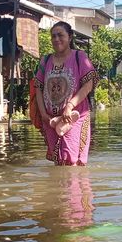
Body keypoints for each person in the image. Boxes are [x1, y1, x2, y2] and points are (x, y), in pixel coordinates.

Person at [34, 21, 98, 166]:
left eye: (60, 35)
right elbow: (38, 87)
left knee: (71, 160)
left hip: (74, 117)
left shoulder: (80, 57)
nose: (56, 39)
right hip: (50, 120)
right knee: (59, 161)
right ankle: (59, 189)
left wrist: (69, 106)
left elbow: (88, 85)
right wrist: (43, 114)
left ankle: (74, 187)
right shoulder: (46, 60)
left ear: (70, 37)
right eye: (53, 36)